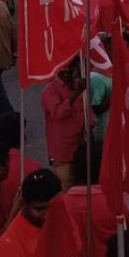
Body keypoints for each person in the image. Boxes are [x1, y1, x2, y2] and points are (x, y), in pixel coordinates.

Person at [0, 169, 62, 257]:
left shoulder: (61, 222)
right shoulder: (9, 248)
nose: (48, 214)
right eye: (40, 209)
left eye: (53, 207)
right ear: (24, 204)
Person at [41, 60, 88, 190]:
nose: (68, 72)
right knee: (67, 186)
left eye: (71, 69)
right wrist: (76, 93)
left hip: (81, 143)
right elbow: (58, 113)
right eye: (65, 69)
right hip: (63, 150)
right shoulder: (50, 90)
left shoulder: (78, 85)